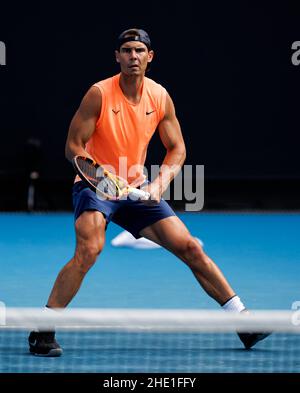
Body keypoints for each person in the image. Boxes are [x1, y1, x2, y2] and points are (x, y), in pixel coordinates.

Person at [28, 28, 269, 357]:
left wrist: (159, 184)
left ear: (150, 57)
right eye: (126, 50)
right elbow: (73, 146)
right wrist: (99, 175)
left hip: (135, 187)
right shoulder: (98, 93)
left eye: (139, 50)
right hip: (95, 184)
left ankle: (243, 321)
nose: (133, 57)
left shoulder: (159, 96)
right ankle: (43, 331)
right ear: (117, 56)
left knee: (189, 247)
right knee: (90, 249)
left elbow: (177, 148)